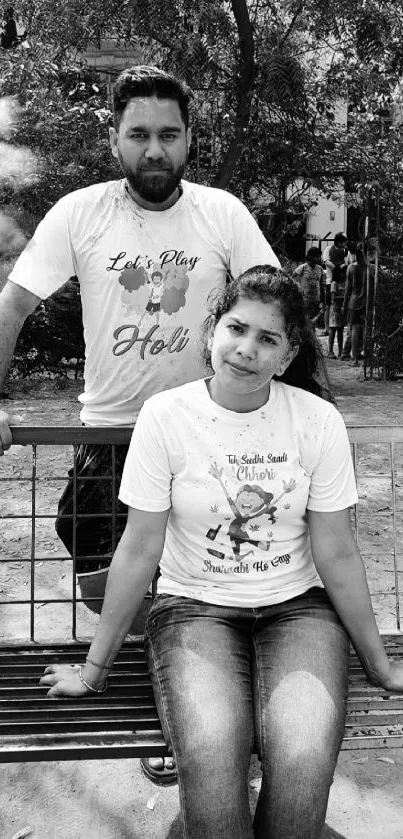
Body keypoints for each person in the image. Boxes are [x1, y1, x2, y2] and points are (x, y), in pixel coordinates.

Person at [39, 266, 403, 839]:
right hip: (193, 609)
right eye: (237, 328)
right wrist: (94, 670)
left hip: (299, 609)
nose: (246, 350)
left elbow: (336, 552)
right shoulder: (166, 416)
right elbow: (139, 547)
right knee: (212, 759)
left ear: (287, 357)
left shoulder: (316, 421)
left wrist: (379, 665)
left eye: (268, 340)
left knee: (303, 759)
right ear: (213, 330)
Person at [0, 65, 280, 783]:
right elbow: (12, 306)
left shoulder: (221, 214)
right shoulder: (82, 212)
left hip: (207, 437)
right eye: (138, 135)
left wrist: (292, 408)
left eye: (167, 135)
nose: (153, 150)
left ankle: (192, 723)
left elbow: (275, 311)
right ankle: (175, 676)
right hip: (111, 431)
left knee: (207, 584)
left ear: (189, 139)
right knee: (97, 561)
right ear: (115, 138)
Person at [342, 245, 372, 365]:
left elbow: (347, 289)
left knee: (355, 328)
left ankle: (354, 358)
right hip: (366, 301)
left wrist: (344, 305)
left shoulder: (351, 268)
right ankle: (367, 358)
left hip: (353, 302)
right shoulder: (370, 268)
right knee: (366, 329)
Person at [321, 232, 347, 336]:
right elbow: (326, 262)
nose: (346, 243)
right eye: (345, 241)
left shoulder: (345, 251)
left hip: (342, 282)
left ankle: (340, 325)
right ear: (340, 242)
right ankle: (327, 328)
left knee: (341, 305)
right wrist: (337, 268)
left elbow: (347, 262)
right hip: (330, 281)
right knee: (328, 306)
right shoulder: (328, 249)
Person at [292, 246, 325, 323]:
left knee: (314, 322)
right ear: (310, 256)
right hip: (305, 300)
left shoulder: (320, 269)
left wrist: (323, 300)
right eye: (317, 257)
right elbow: (292, 279)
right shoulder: (302, 268)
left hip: (316, 301)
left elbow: (322, 286)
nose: (319, 259)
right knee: (306, 322)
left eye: (319, 257)